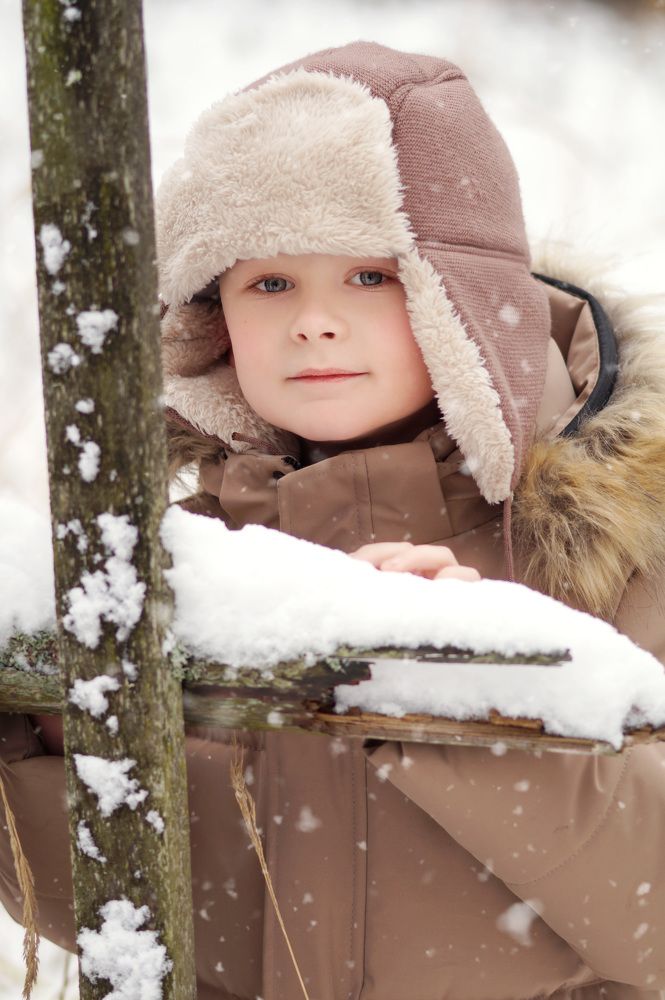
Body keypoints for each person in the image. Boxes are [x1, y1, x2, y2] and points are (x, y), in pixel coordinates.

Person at [2, 39, 665, 1000]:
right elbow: (133, 920)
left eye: (368, 276)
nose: (311, 321)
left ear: (465, 300)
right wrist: (41, 744)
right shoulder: (195, 565)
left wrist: (453, 693)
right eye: (268, 283)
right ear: (209, 318)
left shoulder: (616, 544)